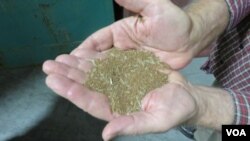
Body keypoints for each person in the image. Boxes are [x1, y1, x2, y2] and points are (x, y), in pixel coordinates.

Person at [42, 0, 250, 141]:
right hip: (235, 73)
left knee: (229, 133)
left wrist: (206, 108)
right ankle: (202, 127)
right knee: (209, 121)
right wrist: (195, 27)